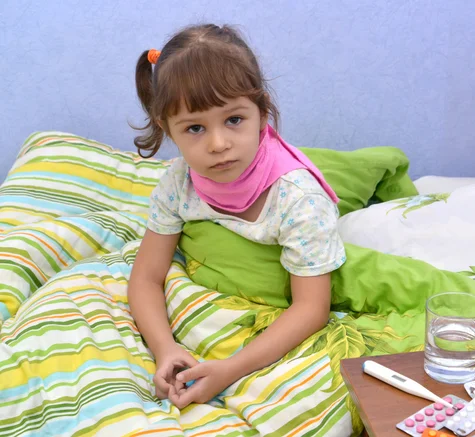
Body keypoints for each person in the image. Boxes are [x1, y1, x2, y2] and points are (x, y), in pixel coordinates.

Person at [127, 23, 346, 409]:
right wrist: (165, 347)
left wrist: (231, 369)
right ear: (168, 131)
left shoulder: (298, 199)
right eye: (195, 127)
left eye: (234, 120)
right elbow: (146, 276)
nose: (218, 144)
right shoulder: (179, 182)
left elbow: (312, 308)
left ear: (262, 113)